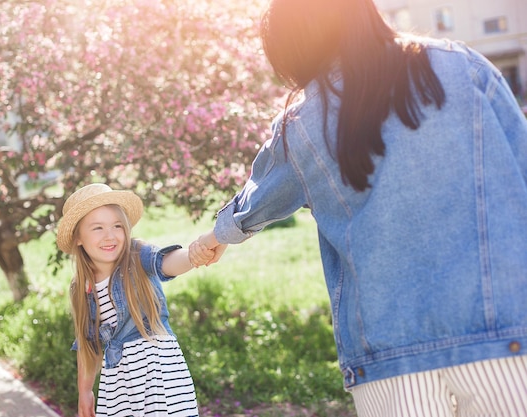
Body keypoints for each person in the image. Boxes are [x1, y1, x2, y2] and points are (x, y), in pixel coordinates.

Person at [191, 0, 527, 415]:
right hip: (502, 331)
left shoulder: (301, 123)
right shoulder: (462, 67)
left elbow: (256, 201)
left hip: (387, 353)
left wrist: (211, 239)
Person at [56, 183, 213, 417]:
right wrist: (85, 392)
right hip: (119, 384)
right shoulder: (81, 288)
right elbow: (88, 345)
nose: (110, 236)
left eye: (117, 226)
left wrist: (194, 254)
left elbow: (166, 263)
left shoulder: (138, 256)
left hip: (158, 373)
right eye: (97, 228)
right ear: (78, 238)